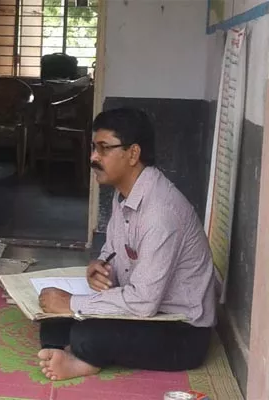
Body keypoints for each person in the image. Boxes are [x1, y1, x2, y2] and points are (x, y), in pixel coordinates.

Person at [37, 108, 217, 381]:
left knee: (86, 333)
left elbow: (144, 302)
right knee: (51, 322)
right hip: (145, 313)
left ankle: (84, 358)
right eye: (93, 148)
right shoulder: (124, 194)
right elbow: (113, 247)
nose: (93, 158)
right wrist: (100, 265)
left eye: (104, 148)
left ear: (133, 154)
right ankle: (75, 350)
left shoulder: (161, 214)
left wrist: (72, 303)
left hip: (182, 331)